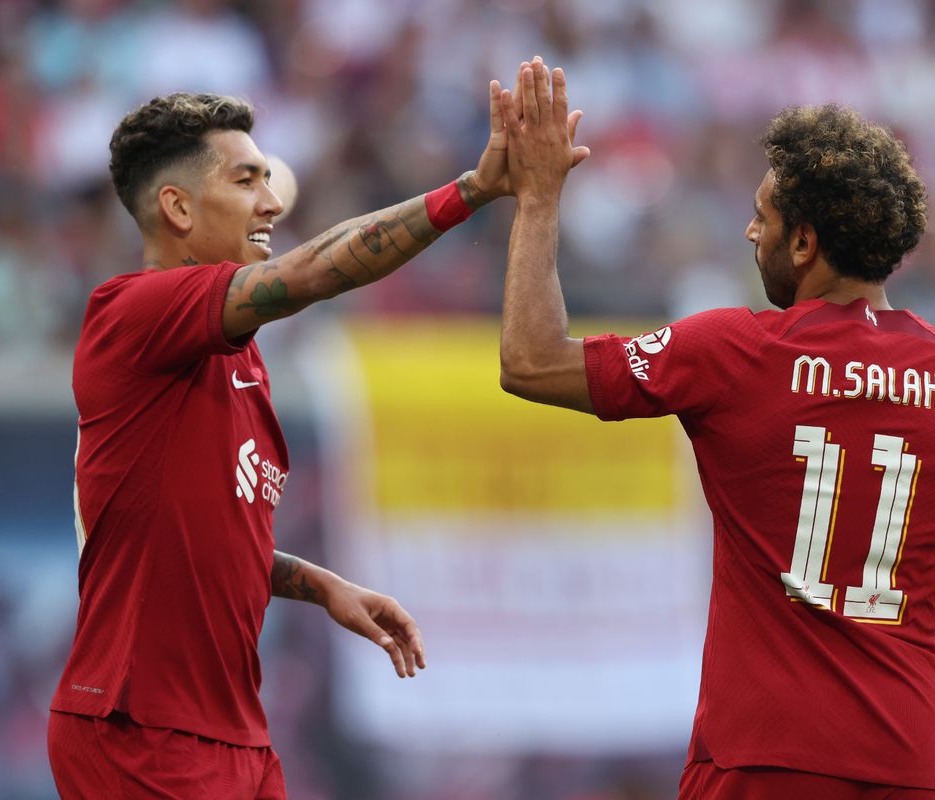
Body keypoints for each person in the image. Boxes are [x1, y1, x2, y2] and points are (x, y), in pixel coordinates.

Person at [496, 60, 935, 799]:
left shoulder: (735, 354)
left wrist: (536, 198)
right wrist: (912, 661)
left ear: (804, 243)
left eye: (764, 213)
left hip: (758, 762)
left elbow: (530, 362)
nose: (750, 228)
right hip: (906, 766)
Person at [48, 76, 585, 799]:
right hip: (137, 731)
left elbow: (202, 531)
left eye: (268, 180)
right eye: (246, 181)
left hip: (236, 734)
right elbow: (309, 274)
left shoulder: (241, 362)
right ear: (176, 206)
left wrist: (319, 583)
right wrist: (471, 191)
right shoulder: (131, 314)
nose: (271, 203)